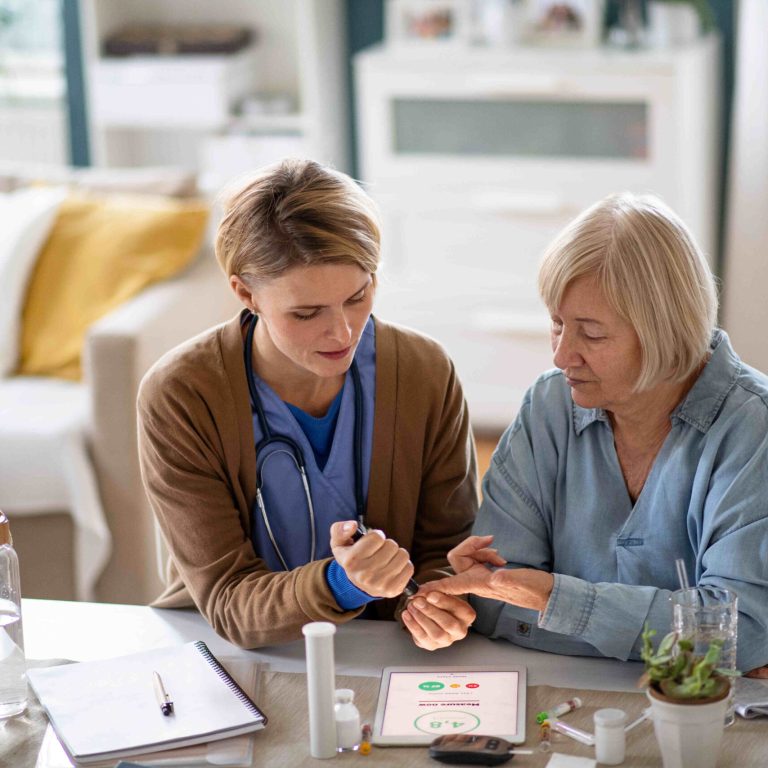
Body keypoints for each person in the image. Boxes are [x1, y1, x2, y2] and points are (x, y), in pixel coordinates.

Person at [419, 192, 768, 675]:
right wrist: (689, 637)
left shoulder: (754, 428)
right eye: (557, 324)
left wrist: (553, 600)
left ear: (664, 330)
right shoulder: (549, 404)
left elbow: (744, 632)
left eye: (592, 333)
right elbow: (495, 601)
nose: (562, 356)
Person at [137, 159, 477, 650]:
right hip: (230, 653)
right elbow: (227, 599)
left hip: (383, 647)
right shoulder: (182, 394)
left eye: (358, 297)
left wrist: (429, 602)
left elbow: (446, 546)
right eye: (306, 312)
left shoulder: (424, 371)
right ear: (245, 292)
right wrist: (343, 584)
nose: (342, 333)